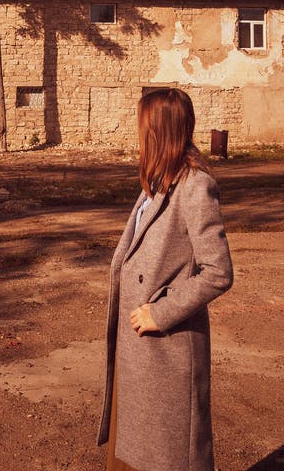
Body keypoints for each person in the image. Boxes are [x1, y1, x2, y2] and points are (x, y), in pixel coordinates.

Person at [97, 88, 234, 471]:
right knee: (133, 451)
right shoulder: (157, 181)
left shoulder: (195, 186)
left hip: (166, 346)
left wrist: (162, 312)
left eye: (143, 126)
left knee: (169, 457)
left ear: (159, 131)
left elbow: (219, 271)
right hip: (140, 350)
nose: (137, 134)